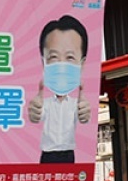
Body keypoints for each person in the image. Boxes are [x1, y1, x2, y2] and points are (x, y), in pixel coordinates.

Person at [27, 15, 92, 163]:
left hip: (68, 155)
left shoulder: (78, 104)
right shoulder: (46, 103)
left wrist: (87, 113)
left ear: (82, 63)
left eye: (70, 57)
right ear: (43, 62)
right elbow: (36, 116)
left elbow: (84, 119)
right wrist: (33, 112)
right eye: (54, 57)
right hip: (48, 155)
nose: (62, 65)